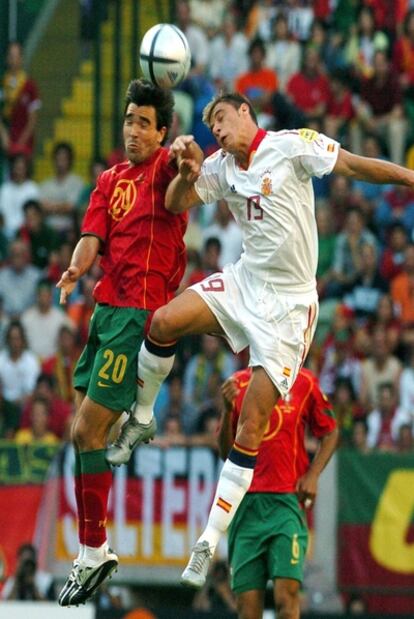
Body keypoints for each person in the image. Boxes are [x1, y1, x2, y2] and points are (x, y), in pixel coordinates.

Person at [106, 91, 414, 588]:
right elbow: (173, 203)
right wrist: (186, 174)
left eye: (223, 119)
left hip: (290, 309)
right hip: (245, 282)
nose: (219, 132)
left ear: (246, 112)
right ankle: (141, 418)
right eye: (213, 127)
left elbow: (354, 168)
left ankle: (208, 542)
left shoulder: (293, 146)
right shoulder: (220, 165)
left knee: (252, 423)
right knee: (161, 323)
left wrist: (408, 176)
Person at [55, 78, 187, 607]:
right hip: (106, 309)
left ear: (161, 132)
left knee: (86, 430)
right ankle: (94, 548)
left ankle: (96, 548)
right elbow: (92, 237)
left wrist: (185, 153)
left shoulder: (165, 170)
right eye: (129, 119)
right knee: (80, 431)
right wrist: (75, 266)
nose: (133, 130)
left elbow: (185, 182)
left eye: (143, 123)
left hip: (139, 310)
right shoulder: (109, 180)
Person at [217, 366, 338, 619]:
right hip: (246, 506)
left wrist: (313, 475)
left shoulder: (303, 381)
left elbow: (330, 432)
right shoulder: (237, 384)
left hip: (286, 504)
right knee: (247, 609)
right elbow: (226, 454)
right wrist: (228, 410)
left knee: (287, 596)